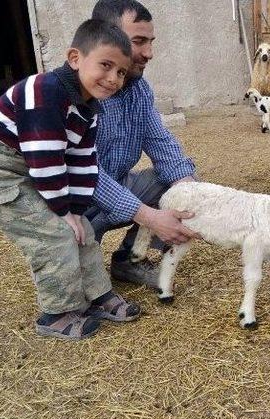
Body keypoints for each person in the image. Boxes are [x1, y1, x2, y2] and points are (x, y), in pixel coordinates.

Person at [0, 19, 140, 340]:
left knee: (83, 228)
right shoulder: (44, 91)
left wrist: (75, 208)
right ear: (75, 58)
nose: (114, 78)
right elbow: (46, 160)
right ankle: (56, 313)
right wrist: (62, 212)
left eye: (120, 72)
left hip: (33, 163)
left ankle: (96, 296)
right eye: (106, 65)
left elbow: (82, 161)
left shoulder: (89, 109)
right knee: (54, 234)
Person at [86, 0, 201, 289]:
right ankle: (79, 257)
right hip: (71, 208)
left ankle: (131, 259)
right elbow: (86, 174)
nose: (149, 53)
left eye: (151, 42)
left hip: (114, 194)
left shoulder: (139, 90)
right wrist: (151, 217)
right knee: (81, 294)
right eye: (139, 42)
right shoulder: (78, 94)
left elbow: (162, 144)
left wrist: (190, 193)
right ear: (107, 39)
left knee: (182, 186)